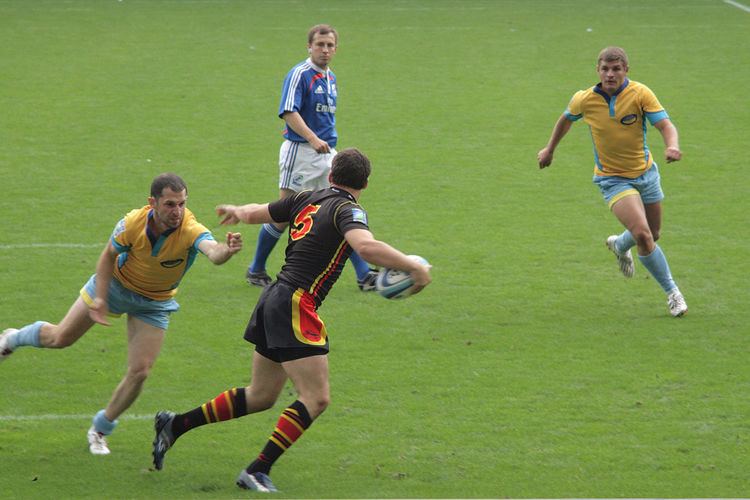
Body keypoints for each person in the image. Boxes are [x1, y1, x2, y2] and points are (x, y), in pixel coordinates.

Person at [152, 148, 432, 493]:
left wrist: (237, 211)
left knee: (262, 395)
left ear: (330, 176)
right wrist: (413, 266)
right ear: (366, 184)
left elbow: (261, 212)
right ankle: (257, 470)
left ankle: (175, 425)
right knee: (316, 397)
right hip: (297, 304)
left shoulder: (307, 198)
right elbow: (366, 247)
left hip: (273, 296)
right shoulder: (349, 209)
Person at [0, 173, 243, 455]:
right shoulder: (132, 223)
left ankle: (100, 429)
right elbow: (107, 257)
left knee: (140, 371)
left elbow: (212, 252)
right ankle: (13, 338)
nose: (177, 211)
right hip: (115, 286)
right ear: (152, 202)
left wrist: (228, 250)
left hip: (154, 302)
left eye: (182, 203)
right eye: (170, 204)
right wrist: (101, 298)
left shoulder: (190, 228)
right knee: (60, 337)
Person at [537, 46, 687, 317]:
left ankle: (619, 244)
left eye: (616, 69)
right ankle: (673, 293)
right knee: (642, 234)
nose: (610, 74)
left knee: (653, 234)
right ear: (598, 70)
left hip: (646, 174)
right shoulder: (584, 99)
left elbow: (665, 124)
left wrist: (672, 145)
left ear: (626, 70)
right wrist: (549, 149)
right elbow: (565, 120)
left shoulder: (640, 94)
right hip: (612, 179)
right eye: (605, 69)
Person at [245, 23, 378, 291]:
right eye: (320, 44)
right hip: (301, 152)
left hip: (327, 154)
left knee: (339, 210)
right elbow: (288, 112)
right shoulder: (300, 74)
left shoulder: (331, 77)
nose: (325, 50)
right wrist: (312, 138)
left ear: (336, 49)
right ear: (309, 46)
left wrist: (326, 144)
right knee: (283, 215)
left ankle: (364, 275)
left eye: (330, 45)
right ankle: (256, 268)